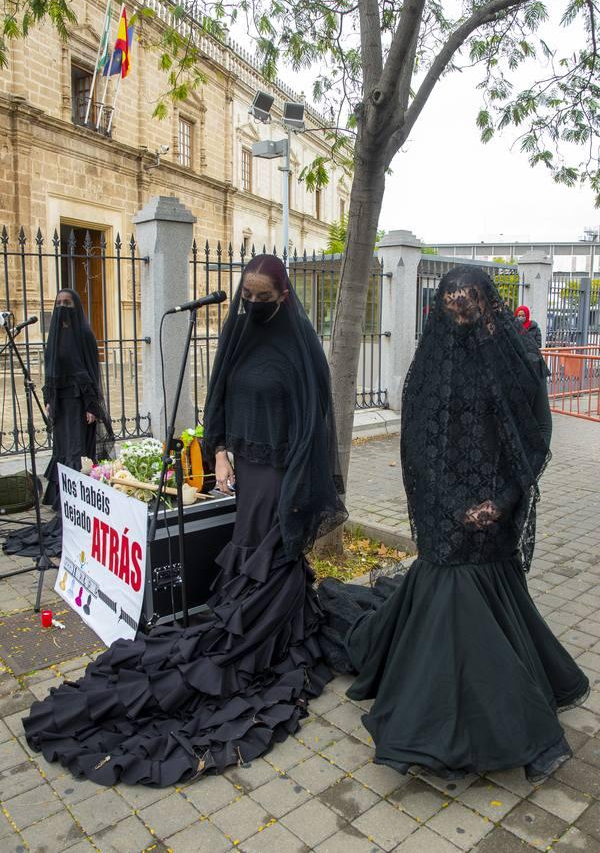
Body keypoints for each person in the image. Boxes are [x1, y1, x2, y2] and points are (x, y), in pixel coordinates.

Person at [23, 255, 347, 787]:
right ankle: (274, 622)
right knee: (248, 544)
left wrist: (294, 485)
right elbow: (218, 395)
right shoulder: (238, 332)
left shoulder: (302, 344)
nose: (253, 303)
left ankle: (276, 631)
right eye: (247, 294)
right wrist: (218, 452)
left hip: (282, 472)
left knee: (271, 550)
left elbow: (316, 420)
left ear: (284, 296)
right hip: (244, 469)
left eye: (264, 296)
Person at [320, 265, 588, 784]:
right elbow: (417, 447)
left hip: (495, 512)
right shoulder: (430, 366)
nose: (461, 311)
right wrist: (451, 507)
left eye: (470, 302)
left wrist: (502, 502)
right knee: (457, 594)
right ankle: (477, 729)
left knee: (477, 593)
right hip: (446, 514)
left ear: (490, 303)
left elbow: (535, 438)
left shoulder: (519, 361)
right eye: (451, 304)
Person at [42, 288, 113, 507]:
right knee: (62, 448)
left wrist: (91, 405)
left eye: (68, 303)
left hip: (79, 403)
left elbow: (91, 373)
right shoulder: (54, 336)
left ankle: (77, 498)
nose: (62, 307)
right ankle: (60, 497)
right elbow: (50, 370)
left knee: (76, 449)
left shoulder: (84, 334)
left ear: (76, 307)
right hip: (60, 403)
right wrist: (48, 397)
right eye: (59, 303)